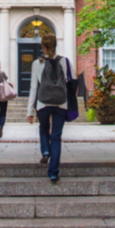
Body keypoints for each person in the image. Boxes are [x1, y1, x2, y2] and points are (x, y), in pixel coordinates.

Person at [26, 33, 81, 183]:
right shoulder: (65, 62)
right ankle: (53, 173)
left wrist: (30, 110)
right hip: (61, 103)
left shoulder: (37, 64)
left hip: (43, 103)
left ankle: (45, 150)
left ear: (43, 46)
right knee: (56, 137)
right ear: (55, 45)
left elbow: (33, 88)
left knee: (43, 127)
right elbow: (74, 81)